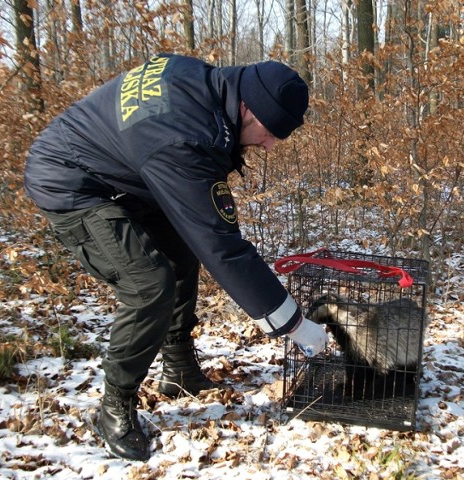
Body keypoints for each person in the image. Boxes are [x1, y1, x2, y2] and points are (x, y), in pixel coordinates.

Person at [24, 54, 327, 461]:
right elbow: (222, 245)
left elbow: (201, 231)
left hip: (127, 175)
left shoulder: (205, 86)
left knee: (182, 253)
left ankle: (179, 368)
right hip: (73, 181)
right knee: (149, 283)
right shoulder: (185, 136)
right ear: (248, 108)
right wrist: (294, 324)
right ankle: (114, 408)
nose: (270, 144)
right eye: (270, 132)